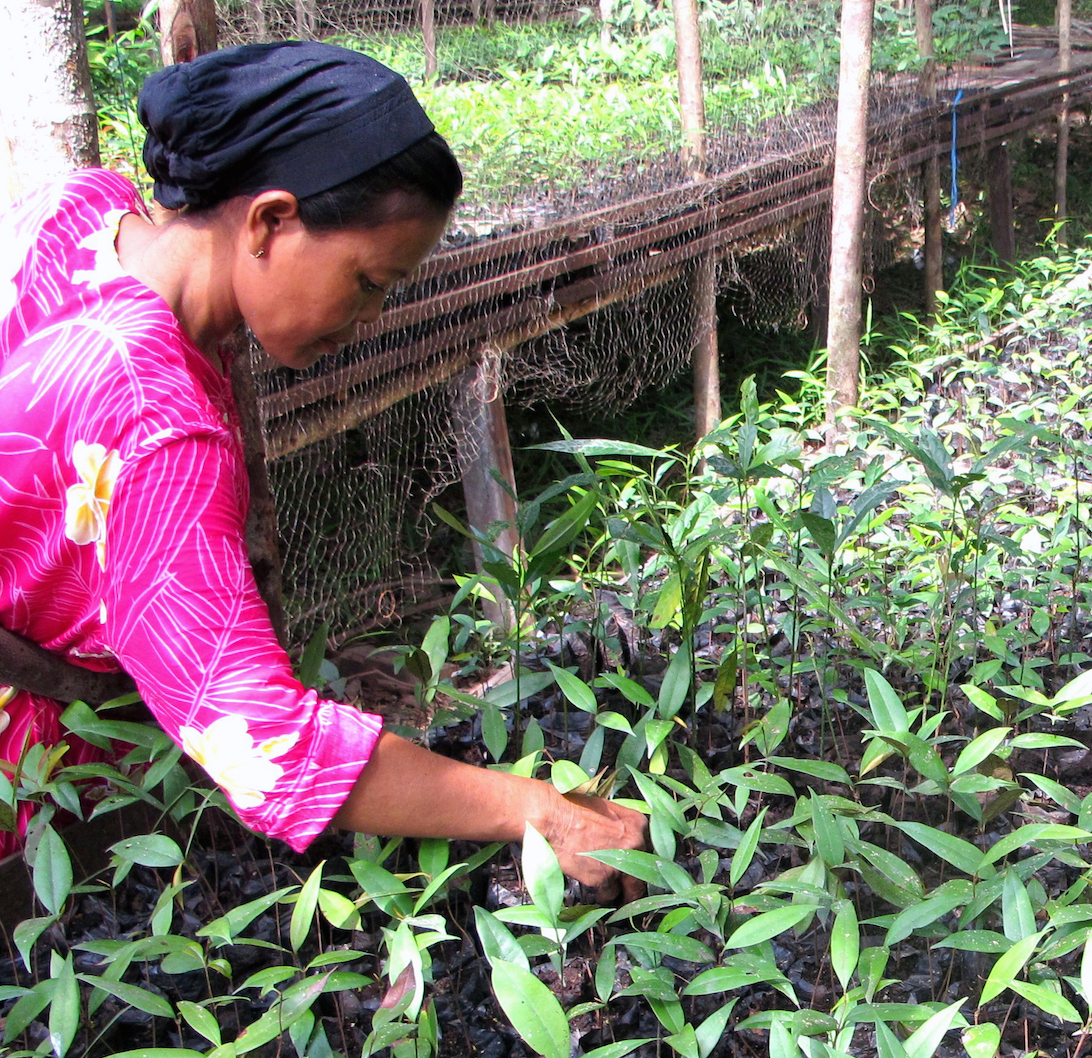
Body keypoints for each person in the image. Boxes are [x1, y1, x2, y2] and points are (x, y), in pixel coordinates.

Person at [0, 42, 645, 898]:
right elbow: (265, 745)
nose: (371, 319)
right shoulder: (159, 429)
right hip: (33, 771)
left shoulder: (84, 205)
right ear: (269, 220)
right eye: (369, 281)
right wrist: (546, 812)